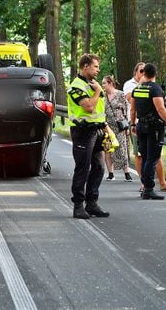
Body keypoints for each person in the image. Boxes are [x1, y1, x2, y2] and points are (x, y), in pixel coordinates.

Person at [67, 54, 110, 219]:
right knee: (83, 168)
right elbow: (89, 107)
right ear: (85, 66)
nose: (98, 70)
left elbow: (99, 111)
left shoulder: (93, 84)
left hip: (97, 130)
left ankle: (92, 203)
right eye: (95, 67)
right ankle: (78, 205)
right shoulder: (76, 86)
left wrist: (107, 129)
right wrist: (98, 91)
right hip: (83, 132)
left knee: (99, 167)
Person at [123, 63, 166, 193]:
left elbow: (133, 110)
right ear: (155, 74)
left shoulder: (137, 89)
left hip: (140, 125)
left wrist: (133, 124)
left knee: (146, 157)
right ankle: (148, 188)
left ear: (144, 73)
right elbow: (160, 109)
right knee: (152, 158)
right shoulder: (155, 89)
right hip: (153, 128)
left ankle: (146, 186)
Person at [102, 75, 133, 182]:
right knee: (107, 149)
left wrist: (127, 125)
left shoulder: (120, 94)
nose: (103, 85)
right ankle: (111, 173)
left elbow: (127, 108)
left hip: (120, 126)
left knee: (122, 149)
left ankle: (127, 173)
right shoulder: (102, 96)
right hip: (107, 126)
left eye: (104, 83)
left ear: (110, 83)